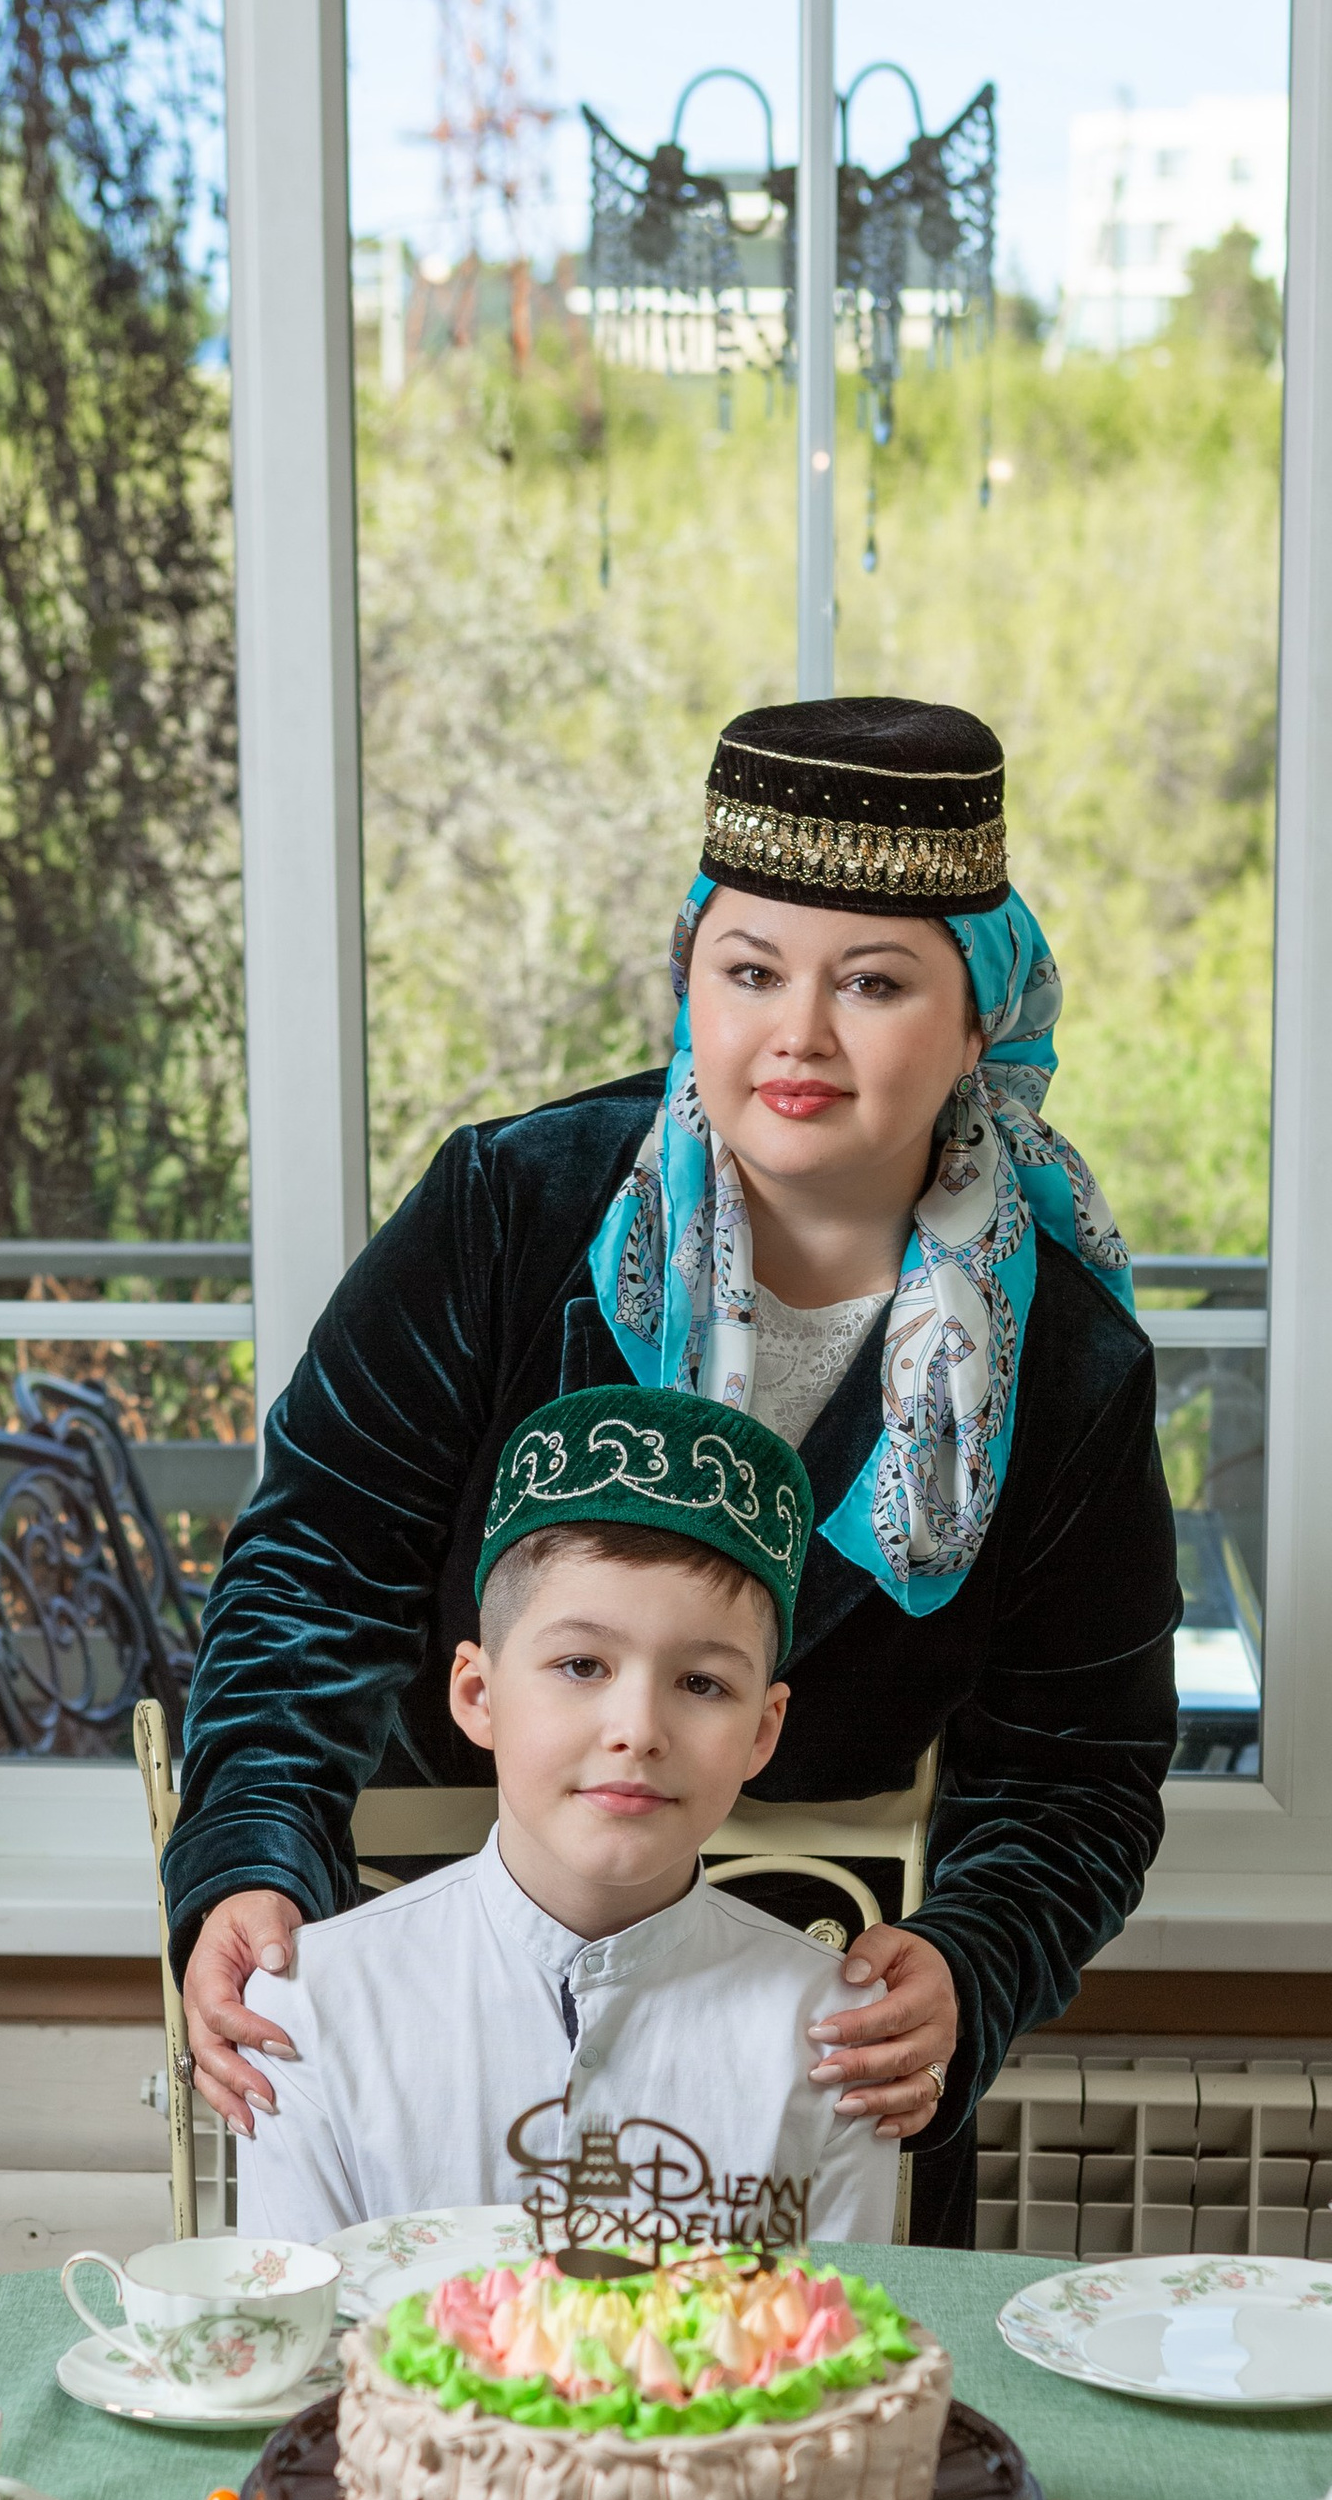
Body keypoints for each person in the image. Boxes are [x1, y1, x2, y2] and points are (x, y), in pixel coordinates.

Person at [166, 696, 1179, 2242]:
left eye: (877, 985)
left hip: (806, 2046)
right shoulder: (511, 1211)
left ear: (983, 1016)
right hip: (426, 1970)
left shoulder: (1071, 1360)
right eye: (751, 970)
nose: (800, 1035)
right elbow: (312, 1562)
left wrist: (968, 1963)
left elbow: (1079, 1770)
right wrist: (249, 1851)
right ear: (691, 979)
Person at [232, 1388, 900, 2247]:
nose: (638, 1732)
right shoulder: (314, 2006)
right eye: (583, 1664)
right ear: (478, 1694)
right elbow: (299, 2340)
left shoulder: (834, 2034)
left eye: (702, 1684)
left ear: (762, 1731)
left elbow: (829, 2347)